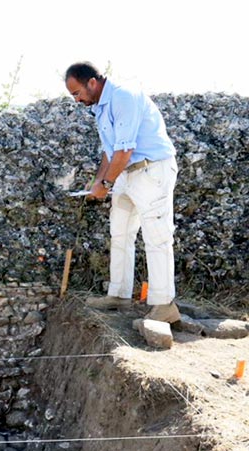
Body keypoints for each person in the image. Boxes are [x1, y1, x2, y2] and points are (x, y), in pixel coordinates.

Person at [64, 62, 180, 323]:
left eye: (77, 93)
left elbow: (125, 149)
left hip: (151, 171)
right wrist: (98, 181)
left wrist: (105, 184)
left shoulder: (124, 96)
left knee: (157, 237)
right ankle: (118, 295)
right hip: (127, 173)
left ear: (92, 82)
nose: (76, 100)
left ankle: (164, 305)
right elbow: (111, 151)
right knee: (120, 233)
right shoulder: (100, 106)